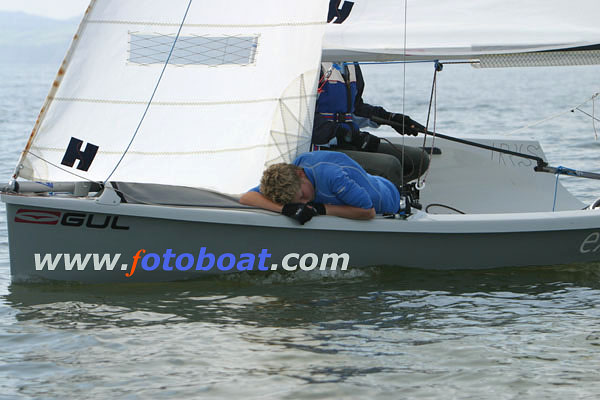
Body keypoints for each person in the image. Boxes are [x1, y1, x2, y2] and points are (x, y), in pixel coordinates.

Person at [313, 61, 430, 186]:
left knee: (418, 159)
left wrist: (391, 118)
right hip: (321, 148)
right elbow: (306, 120)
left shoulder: (351, 64)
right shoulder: (314, 63)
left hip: (350, 142)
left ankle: (373, 194)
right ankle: (384, 200)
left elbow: (356, 109)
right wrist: (346, 135)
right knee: (389, 165)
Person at [239, 151, 402, 224]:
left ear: (300, 174)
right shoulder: (287, 178)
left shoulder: (332, 176)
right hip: (359, 187)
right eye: (298, 201)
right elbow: (247, 198)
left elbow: (368, 212)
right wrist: (285, 209)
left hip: (388, 198)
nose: (303, 202)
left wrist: (321, 209)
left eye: (302, 195)